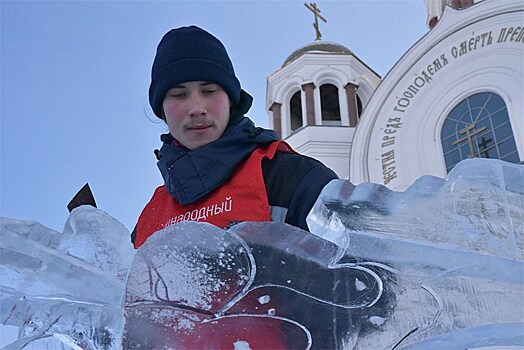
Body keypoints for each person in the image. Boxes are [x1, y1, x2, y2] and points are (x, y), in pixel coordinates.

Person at [131, 25, 338, 249]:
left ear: (231, 100)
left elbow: (355, 272)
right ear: (162, 110)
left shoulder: (291, 177)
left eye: (209, 91)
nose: (197, 108)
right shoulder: (149, 217)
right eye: (179, 95)